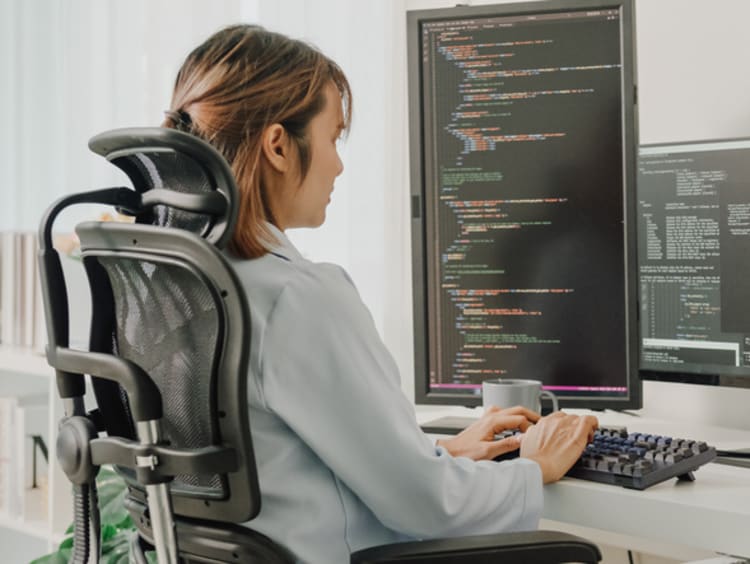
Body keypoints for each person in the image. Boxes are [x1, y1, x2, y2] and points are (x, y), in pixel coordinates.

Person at [162, 24, 599, 564]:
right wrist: (536, 467)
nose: (339, 164)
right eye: (332, 137)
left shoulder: (172, 284)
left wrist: (434, 452)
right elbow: (428, 508)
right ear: (278, 144)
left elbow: (278, 462)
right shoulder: (297, 295)